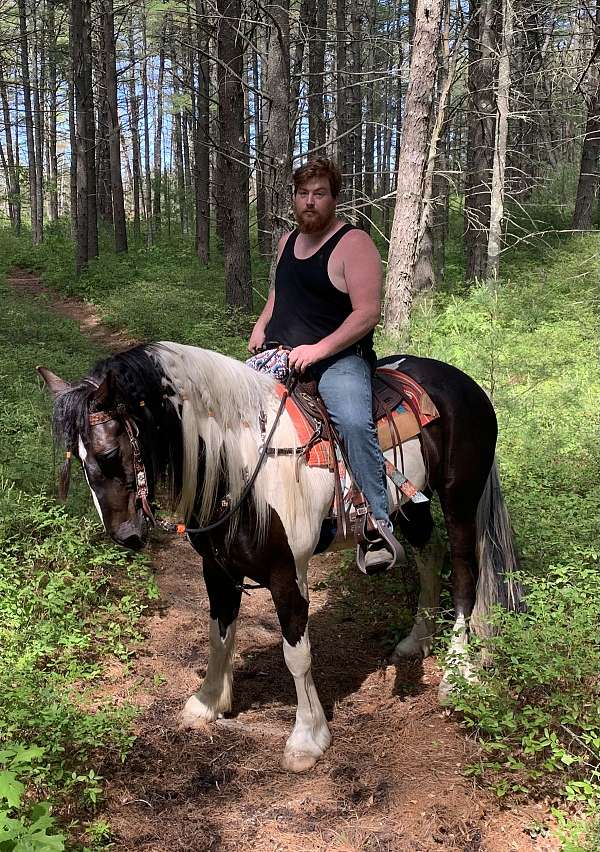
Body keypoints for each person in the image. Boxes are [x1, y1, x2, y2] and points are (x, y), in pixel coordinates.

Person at [248, 157, 401, 572]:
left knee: (352, 421)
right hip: (280, 354)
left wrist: (318, 350)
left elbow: (367, 314)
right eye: (303, 194)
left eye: (319, 194)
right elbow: (279, 296)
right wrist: (262, 325)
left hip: (338, 360)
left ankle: (376, 523)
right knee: (233, 411)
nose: (309, 202)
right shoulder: (285, 243)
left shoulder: (354, 244)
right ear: (294, 199)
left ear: (334, 198)